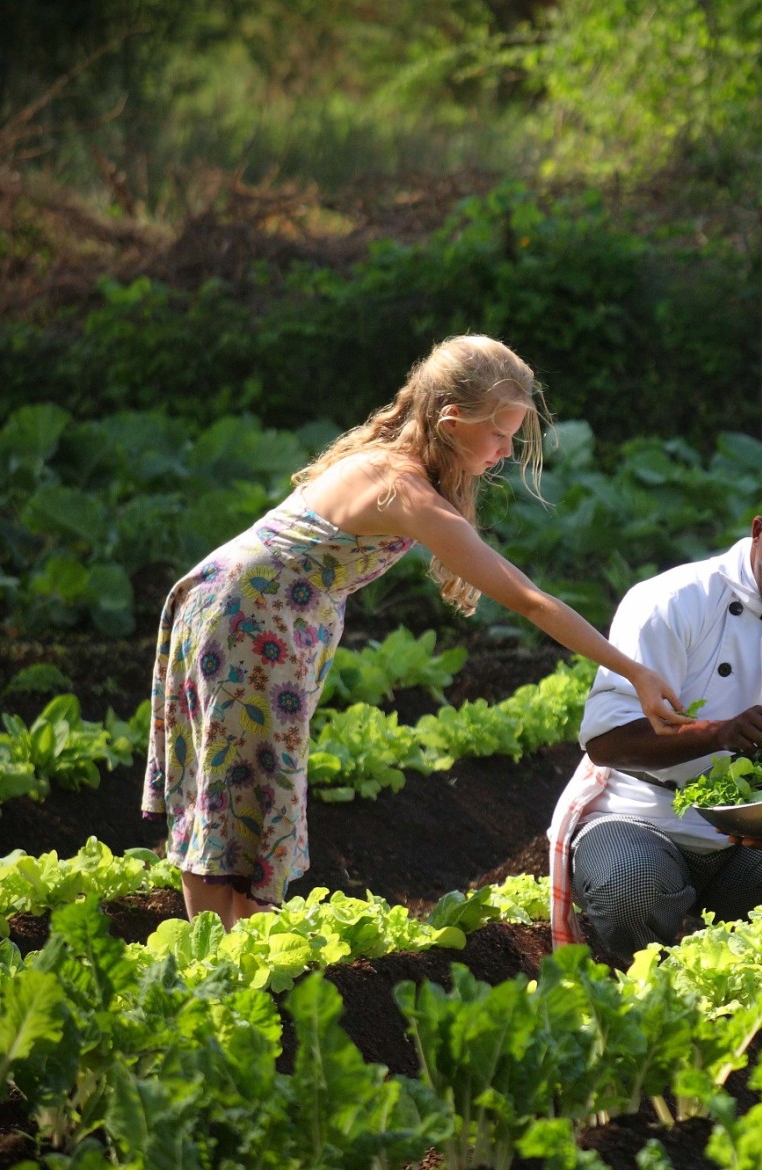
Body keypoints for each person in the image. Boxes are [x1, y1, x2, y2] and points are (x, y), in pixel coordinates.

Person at [142, 334, 688, 929]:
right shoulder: (403, 489)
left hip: (246, 609)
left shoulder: (394, 458)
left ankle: (225, 952)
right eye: (500, 434)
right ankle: (220, 957)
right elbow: (529, 600)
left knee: (247, 783)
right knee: (242, 785)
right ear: (452, 421)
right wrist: (634, 671)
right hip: (250, 621)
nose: (505, 451)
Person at [546, 465, 762, 958]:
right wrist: (715, 735)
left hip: (757, 847)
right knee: (631, 891)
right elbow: (605, 742)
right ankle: (650, 969)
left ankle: (740, 969)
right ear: (757, 532)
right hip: (644, 815)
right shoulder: (674, 600)